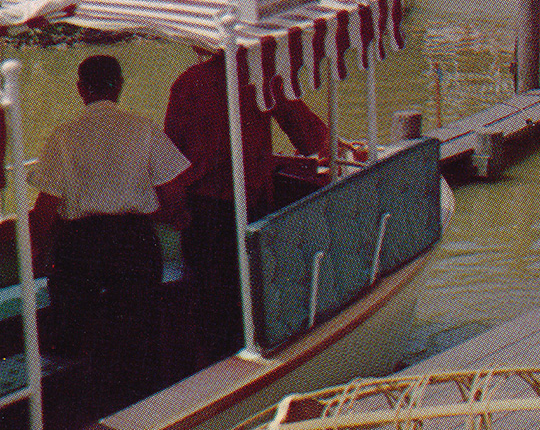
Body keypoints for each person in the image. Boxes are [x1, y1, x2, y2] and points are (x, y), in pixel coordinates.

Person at [29, 55, 190, 404]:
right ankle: (144, 403)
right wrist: (170, 218)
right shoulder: (143, 127)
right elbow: (174, 192)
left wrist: (38, 252)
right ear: (119, 85)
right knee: (139, 325)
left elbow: (45, 207)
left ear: (81, 89)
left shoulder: (63, 135)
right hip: (133, 241)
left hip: (79, 247)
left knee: (73, 327)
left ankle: (80, 403)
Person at [165, 50, 332, 363]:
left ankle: (214, 367)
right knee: (252, 292)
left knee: (210, 296)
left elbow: (170, 153)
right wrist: (330, 144)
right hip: (248, 204)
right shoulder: (261, 78)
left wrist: (174, 208)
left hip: (202, 208)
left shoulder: (186, 83)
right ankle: (255, 359)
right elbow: (307, 135)